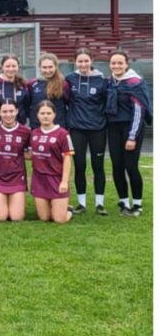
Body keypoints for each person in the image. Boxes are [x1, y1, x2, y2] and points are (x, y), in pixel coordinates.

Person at [106, 50, 152, 217]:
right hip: (113, 129)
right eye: (113, 63)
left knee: (131, 166)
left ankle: (137, 205)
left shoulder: (135, 82)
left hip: (131, 128)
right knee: (117, 167)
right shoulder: (110, 81)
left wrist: (132, 136)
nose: (116, 66)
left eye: (120, 63)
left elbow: (139, 112)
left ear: (126, 64)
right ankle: (124, 203)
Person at [66, 48, 108, 215]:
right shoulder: (70, 79)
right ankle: (81, 204)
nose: (83, 64)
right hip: (77, 130)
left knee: (98, 166)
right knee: (80, 166)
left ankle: (99, 204)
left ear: (91, 61)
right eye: (80, 61)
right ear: (75, 62)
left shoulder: (102, 80)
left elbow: (107, 102)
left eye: (86, 61)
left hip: (97, 129)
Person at [0, 100, 31, 222]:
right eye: (5, 111)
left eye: (11, 111)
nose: (8, 114)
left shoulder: (25, 131)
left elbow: (29, 154)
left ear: (17, 111)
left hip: (17, 177)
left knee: (16, 218)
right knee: (0, 218)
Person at [30, 101, 74, 223]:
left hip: (56, 179)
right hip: (39, 180)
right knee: (44, 218)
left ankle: (68, 211)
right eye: (42, 113)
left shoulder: (63, 133)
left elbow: (67, 159)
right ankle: (57, 207)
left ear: (54, 115)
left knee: (59, 220)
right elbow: (30, 154)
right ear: (37, 115)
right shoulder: (34, 133)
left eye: (49, 113)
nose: (45, 116)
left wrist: (64, 182)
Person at [27, 53, 69, 129]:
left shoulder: (63, 84)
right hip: (37, 127)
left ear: (56, 67)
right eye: (44, 67)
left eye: (50, 67)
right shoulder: (32, 84)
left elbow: (69, 104)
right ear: (39, 67)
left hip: (58, 127)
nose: (47, 70)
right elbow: (27, 104)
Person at [0, 54, 29, 124]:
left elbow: (27, 104)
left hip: (19, 125)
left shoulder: (23, 84)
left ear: (18, 67)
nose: (11, 69)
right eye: (7, 66)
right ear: (2, 67)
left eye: (14, 66)